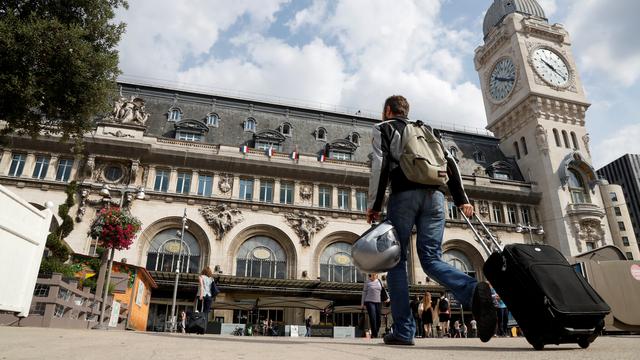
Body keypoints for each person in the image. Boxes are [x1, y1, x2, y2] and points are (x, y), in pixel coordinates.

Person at [367, 95, 497, 346]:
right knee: (431, 258)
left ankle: (404, 331)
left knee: (396, 260)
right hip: (437, 197)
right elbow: (451, 164)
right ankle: (473, 290)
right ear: (406, 111)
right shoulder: (428, 130)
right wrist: (461, 200)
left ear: (387, 110)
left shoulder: (383, 128)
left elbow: (380, 166)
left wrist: (374, 205)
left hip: (404, 196)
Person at [361, 273, 384, 338]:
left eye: (375, 275)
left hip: (378, 302)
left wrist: (387, 298)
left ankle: (376, 331)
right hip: (369, 301)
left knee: (378, 319)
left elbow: (383, 291)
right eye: (372, 275)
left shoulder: (379, 281)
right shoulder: (367, 282)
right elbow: (364, 293)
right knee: (373, 317)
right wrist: (362, 303)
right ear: (370, 275)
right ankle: (374, 334)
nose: (374, 276)